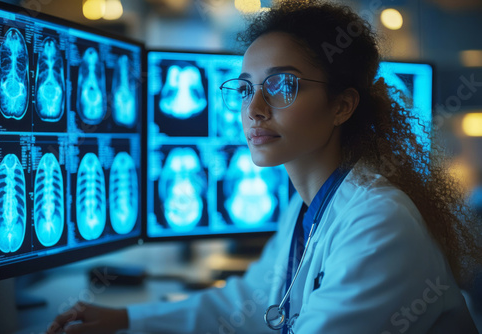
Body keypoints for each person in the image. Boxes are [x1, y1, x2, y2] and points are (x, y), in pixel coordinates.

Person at [47, 1, 482, 333]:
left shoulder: (380, 225)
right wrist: (123, 318)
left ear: (342, 105)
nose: (253, 109)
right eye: (245, 88)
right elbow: (246, 302)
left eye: (281, 85)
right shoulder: (305, 208)